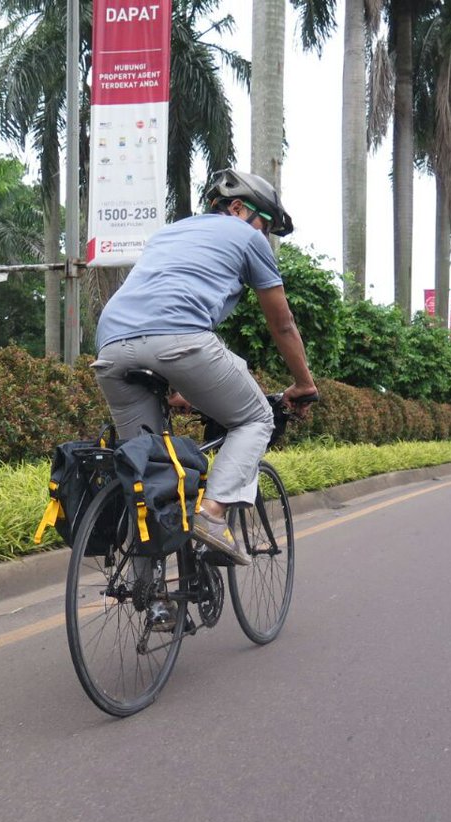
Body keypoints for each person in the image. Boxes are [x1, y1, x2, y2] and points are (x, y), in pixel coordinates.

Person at [91, 168, 318, 591]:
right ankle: (212, 514)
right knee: (254, 421)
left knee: (149, 473)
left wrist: (178, 391)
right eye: (265, 225)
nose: (264, 237)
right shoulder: (246, 237)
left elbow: (155, 310)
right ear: (237, 208)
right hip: (180, 339)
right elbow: (282, 323)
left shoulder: (167, 235)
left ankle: (150, 593)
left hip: (111, 348)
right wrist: (304, 384)